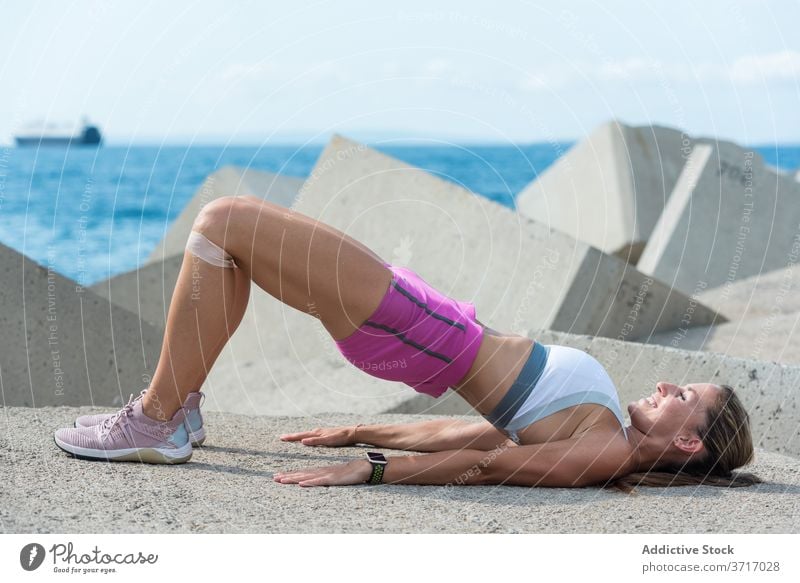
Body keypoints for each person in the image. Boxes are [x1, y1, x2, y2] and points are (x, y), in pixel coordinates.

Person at [54, 195, 762, 492]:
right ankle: (176, 411)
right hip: (423, 319)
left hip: (416, 329)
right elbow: (473, 428)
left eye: (686, 397)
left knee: (221, 221)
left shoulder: (608, 449)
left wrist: (372, 468)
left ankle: (155, 417)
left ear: (689, 443)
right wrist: (360, 428)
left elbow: (490, 461)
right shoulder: (604, 425)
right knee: (230, 250)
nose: (669, 385)